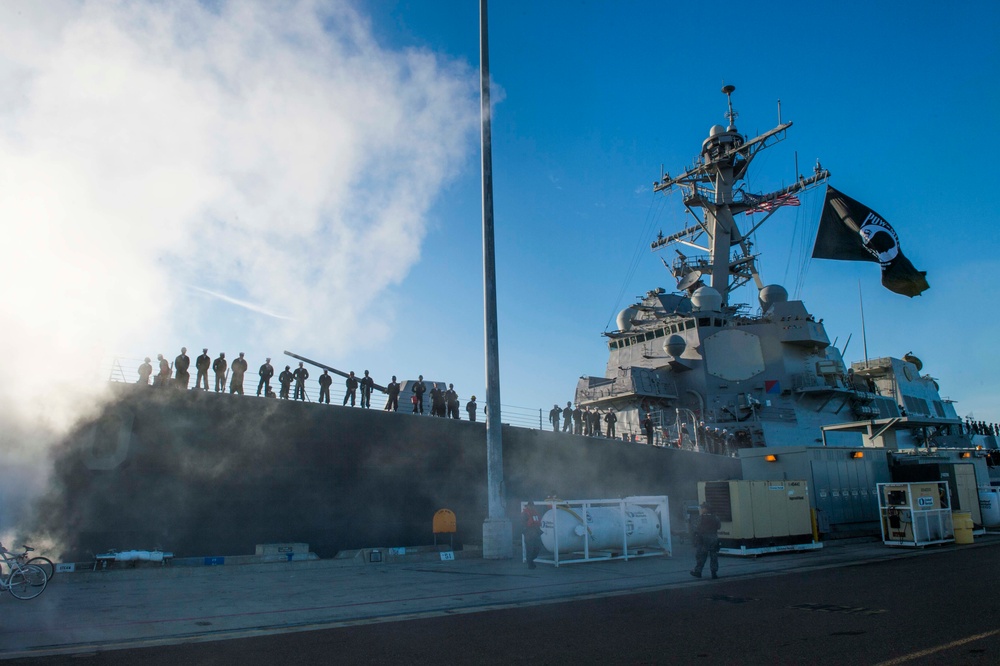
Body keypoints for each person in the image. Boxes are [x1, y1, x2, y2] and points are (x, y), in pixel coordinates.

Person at [690, 502, 722, 580]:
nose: (701, 509)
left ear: (705, 509)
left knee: (701, 556)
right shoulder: (715, 517)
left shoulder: (701, 518)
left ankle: (698, 571)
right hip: (713, 538)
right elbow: (719, 526)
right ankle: (714, 573)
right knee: (713, 556)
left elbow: (695, 528)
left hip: (703, 539)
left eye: (702, 508)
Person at [521, 500, 542, 569]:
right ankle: (530, 564)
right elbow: (522, 524)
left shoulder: (535, 513)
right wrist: (526, 532)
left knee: (537, 548)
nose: (531, 507)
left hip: (535, 533)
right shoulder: (525, 514)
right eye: (530, 506)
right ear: (528, 506)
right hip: (529, 534)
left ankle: (531, 561)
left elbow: (538, 522)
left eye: (532, 506)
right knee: (530, 549)